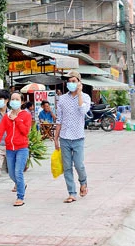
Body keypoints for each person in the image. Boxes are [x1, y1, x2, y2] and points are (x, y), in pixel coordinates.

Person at [54, 70, 90, 203]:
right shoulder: (62, 99)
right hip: (64, 137)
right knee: (67, 166)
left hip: (78, 137)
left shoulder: (85, 97)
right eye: (69, 82)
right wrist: (56, 137)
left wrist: (79, 93)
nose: (71, 84)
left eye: (73, 81)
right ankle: (72, 193)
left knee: (79, 165)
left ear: (79, 82)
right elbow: (59, 119)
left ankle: (83, 182)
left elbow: (83, 111)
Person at [0, 93, 32, 207]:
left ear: (22, 102)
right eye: (13, 99)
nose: (14, 101)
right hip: (10, 149)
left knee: (18, 172)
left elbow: (26, 132)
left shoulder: (26, 115)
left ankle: (20, 197)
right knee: (12, 174)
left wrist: (17, 120)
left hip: (22, 148)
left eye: (17, 99)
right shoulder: (6, 116)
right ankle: (21, 185)